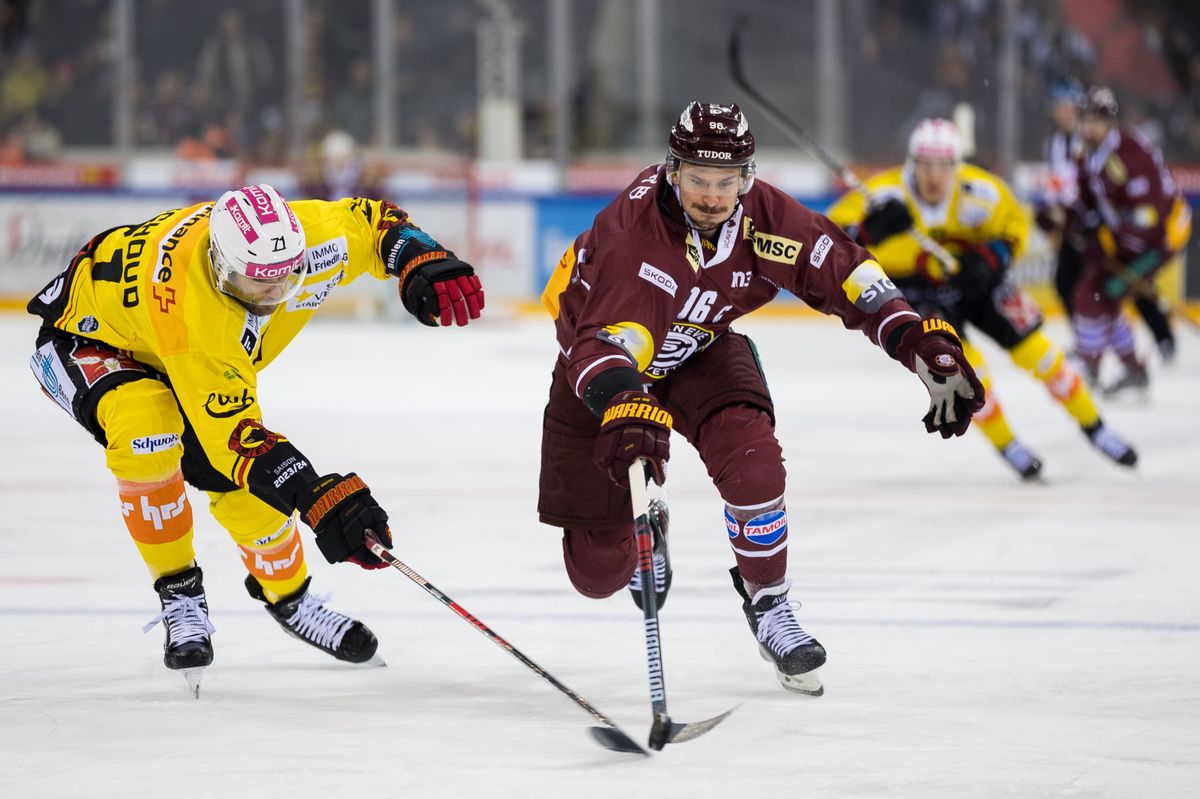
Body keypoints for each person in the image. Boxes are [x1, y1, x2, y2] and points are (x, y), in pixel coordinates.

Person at [537, 101, 985, 695]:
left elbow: (845, 274)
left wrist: (914, 335)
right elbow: (601, 345)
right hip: (603, 373)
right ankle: (648, 527)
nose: (713, 197)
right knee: (596, 572)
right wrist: (624, 400)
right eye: (698, 179)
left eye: (727, 182)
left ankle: (770, 603)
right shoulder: (633, 238)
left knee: (755, 464)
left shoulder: (765, 218)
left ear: (746, 178)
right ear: (673, 171)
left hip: (701, 349)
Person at [27, 184, 484, 695]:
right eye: (253, 284)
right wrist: (317, 497)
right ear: (220, 263)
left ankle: (290, 598)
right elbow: (236, 439)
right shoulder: (193, 305)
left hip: (182, 353)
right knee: (147, 431)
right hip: (90, 342)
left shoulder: (308, 239)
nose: (271, 295)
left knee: (252, 499)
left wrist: (419, 255)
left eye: (283, 281)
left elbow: (375, 222)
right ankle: (178, 591)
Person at [827, 117, 1138, 479]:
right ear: (912, 163)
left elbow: (1014, 230)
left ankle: (1095, 426)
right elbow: (830, 241)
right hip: (922, 295)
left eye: (943, 165)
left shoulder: (983, 191)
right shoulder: (883, 194)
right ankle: (1008, 444)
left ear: (956, 166)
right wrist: (865, 231)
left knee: (1044, 357)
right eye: (925, 165)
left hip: (982, 286)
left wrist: (991, 259)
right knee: (965, 375)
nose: (933, 176)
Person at [1070, 86, 1191, 394]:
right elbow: (1087, 199)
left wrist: (1111, 242)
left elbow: (1149, 217)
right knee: (1094, 294)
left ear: (1109, 122)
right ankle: (1126, 368)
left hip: (1162, 239)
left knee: (1099, 294)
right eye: (1085, 119)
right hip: (1131, 239)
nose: (1088, 126)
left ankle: (1099, 366)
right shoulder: (1088, 152)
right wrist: (1068, 218)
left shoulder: (1131, 153)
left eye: (1095, 120)